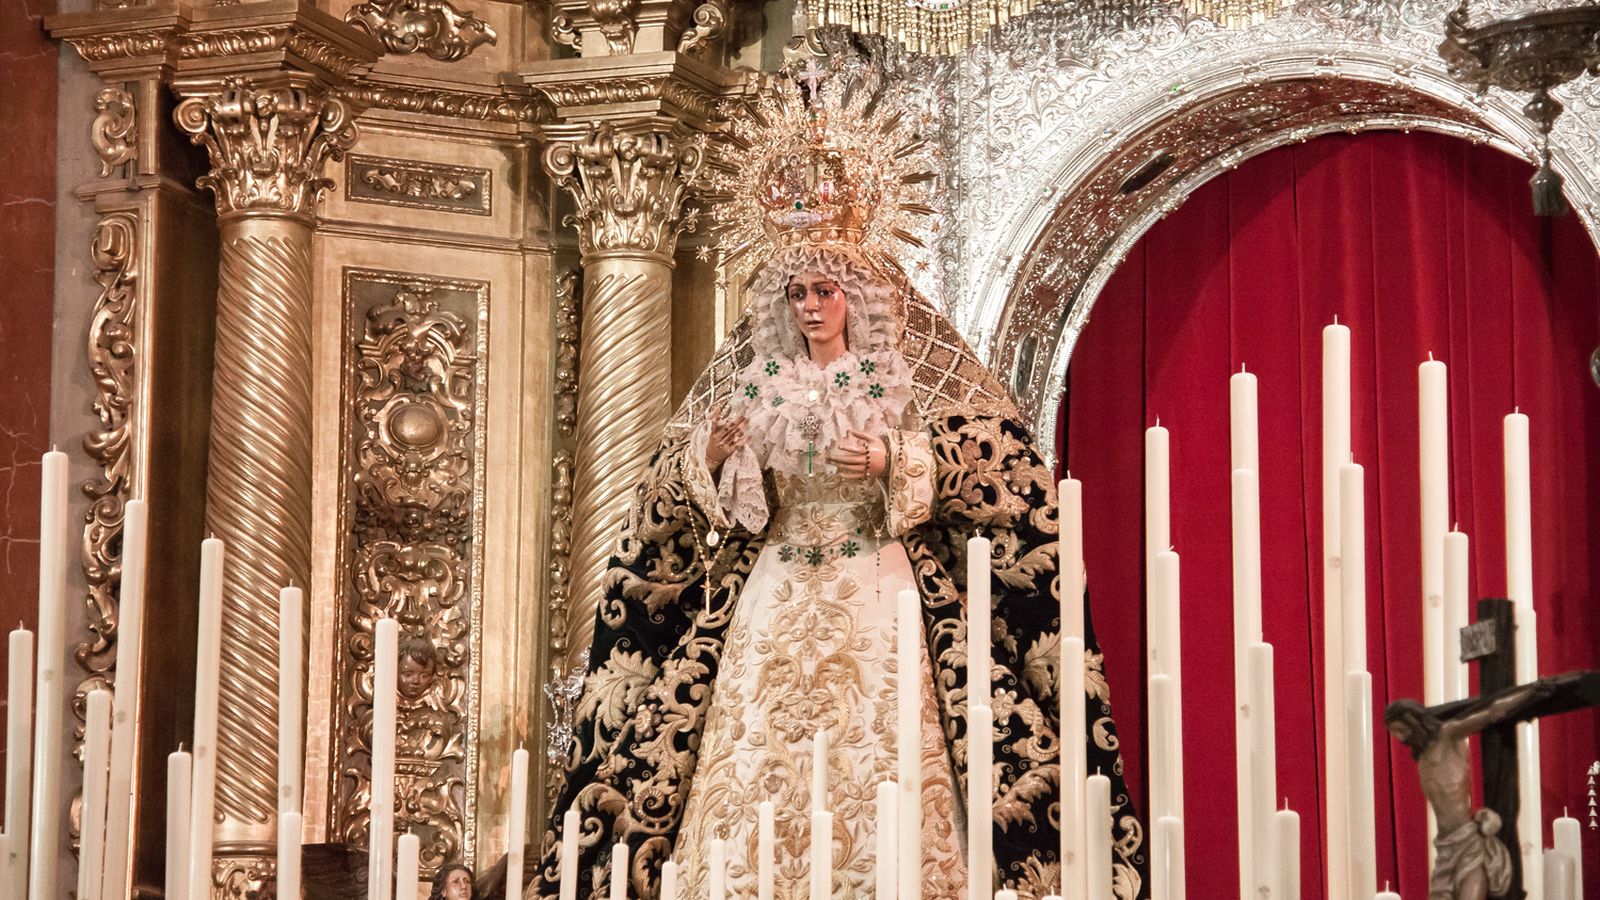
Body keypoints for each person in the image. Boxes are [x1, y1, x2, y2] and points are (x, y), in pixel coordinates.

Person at [534, 53, 1146, 900]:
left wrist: (903, 461)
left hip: (884, 593)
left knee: (893, 753)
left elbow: (1010, 477)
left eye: (825, 289)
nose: (810, 307)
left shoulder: (919, 380)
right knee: (745, 761)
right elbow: (670, 503)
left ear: (859, 292)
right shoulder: (748, 379)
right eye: (795, 292)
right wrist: (710, 463)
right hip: (771, 595)